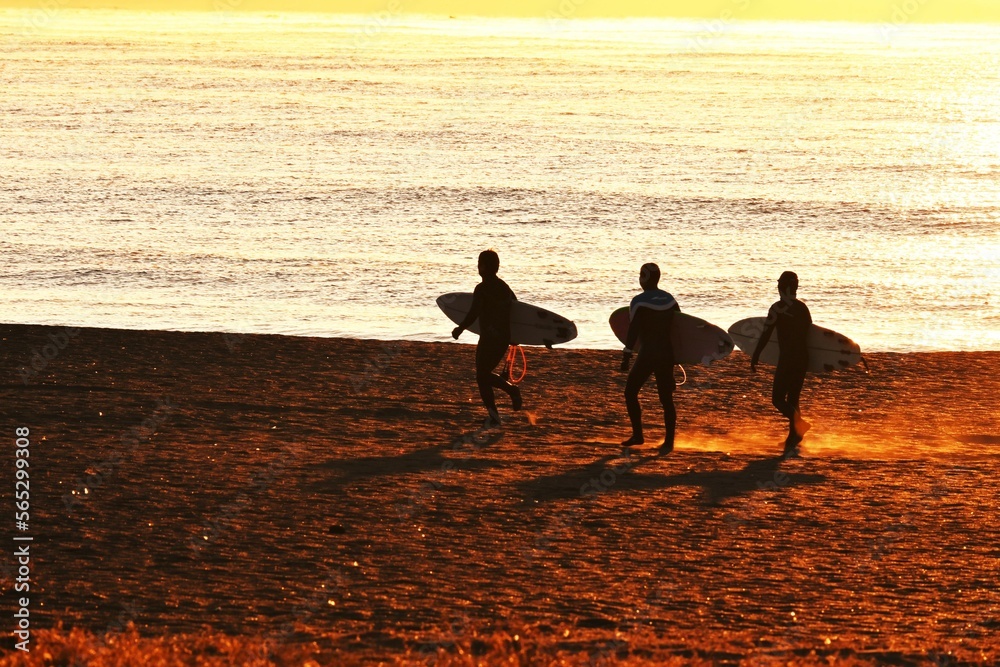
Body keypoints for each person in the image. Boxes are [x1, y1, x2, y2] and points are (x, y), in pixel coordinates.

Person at [452, 249, 522, 428]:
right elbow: (517, 308)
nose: (478, 267)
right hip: (502, 337)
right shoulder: (504, 287)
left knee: (481, 376)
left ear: (483, 267)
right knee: (483, 375)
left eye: (479, 264)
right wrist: (516, 335)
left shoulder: (481, 289)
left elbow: (473, 313)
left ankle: (506, 397)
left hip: (489, 337)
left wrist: (460, 328)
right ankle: (498, 410)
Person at [750, 271, 812, 457]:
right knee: (793, 399)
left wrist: (756, 355)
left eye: (779, 286)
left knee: (777, 399)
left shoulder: (777, 308)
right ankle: (793, 437)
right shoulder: (803, 308)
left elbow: (766, 333)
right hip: (802, 358)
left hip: (788, 359)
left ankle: (799, 424)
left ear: (784, 288)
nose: (777, 289)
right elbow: (811, 334)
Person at [620, 263, 680, 454]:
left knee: (630, 392)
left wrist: (626, 354)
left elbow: (634, 330)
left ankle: (638, 435)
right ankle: (669, 442)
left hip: (648, 353)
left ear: (643, 278)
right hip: (666, 353)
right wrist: (679, 358)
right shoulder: (670, 299)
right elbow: (680, 328)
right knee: (666, 399)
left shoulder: (639, 301)